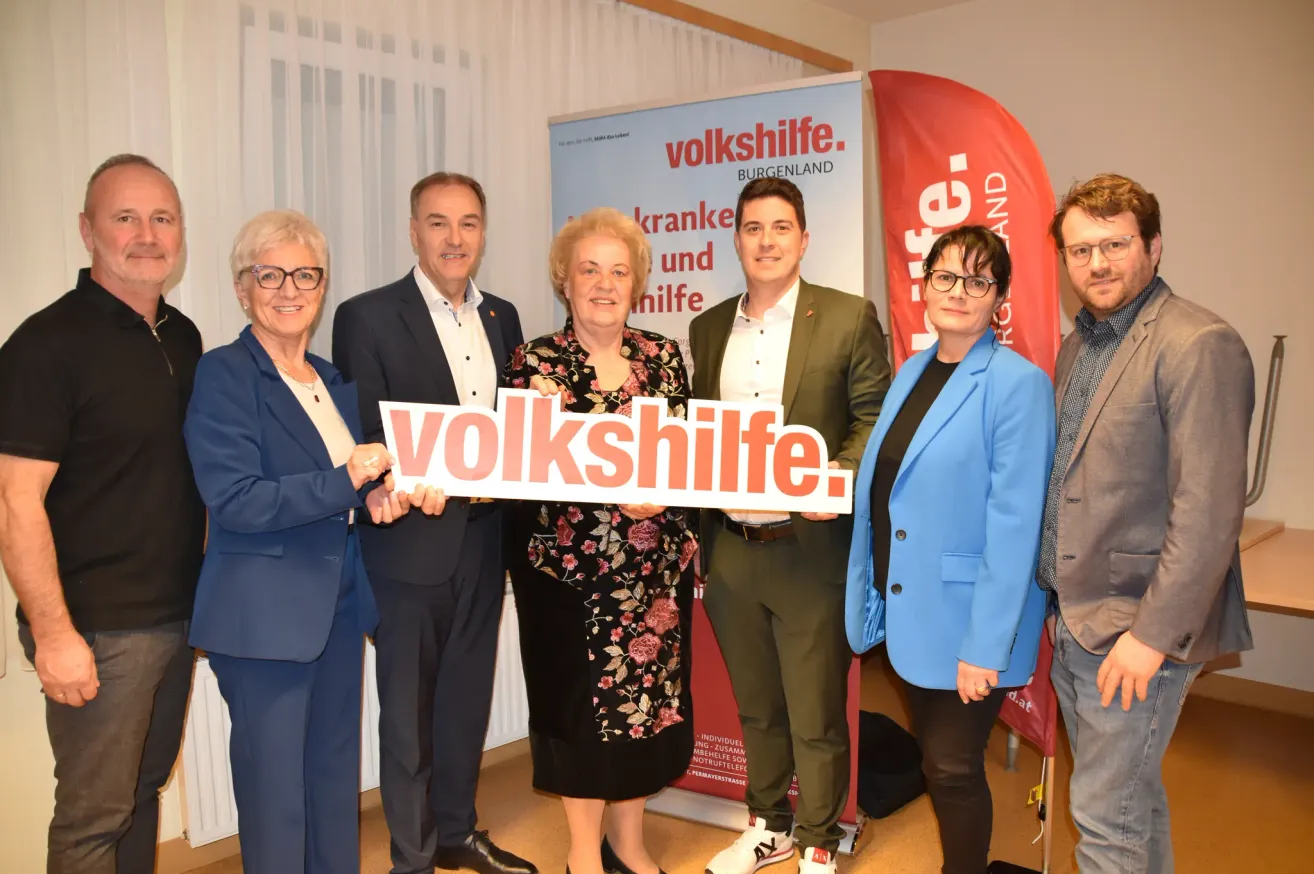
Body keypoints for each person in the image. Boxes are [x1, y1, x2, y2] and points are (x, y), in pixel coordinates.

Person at [184, 209, 419, 874]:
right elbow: (236, 498)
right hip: (263, 620)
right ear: (242, 287)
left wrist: (375, 497)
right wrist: (348, 481)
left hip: (340, 609)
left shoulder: (332, 380)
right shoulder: (225, 374)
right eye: (270, 274)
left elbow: (343, 493)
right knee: (276, 800)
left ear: (322, 286)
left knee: (331, 783)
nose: (289, 289)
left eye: (305, 275)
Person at [1041, 174, 1254, 873]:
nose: (1096, 264)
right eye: (1079, 250)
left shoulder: (1198, 343)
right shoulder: (1080, 346)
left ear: (1153, 247)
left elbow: (1210, 509)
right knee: (1130, 807)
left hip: (1133, 630)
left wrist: (1151, 638)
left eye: (1114, 244)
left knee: (1104, 825)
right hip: (1075, 618)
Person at [0, 154, 204, 874]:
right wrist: (53, 634)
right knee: (92, 821)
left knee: (142, 795)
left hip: (175, 617)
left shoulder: (182, 337)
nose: (146, 235)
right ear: (87, 231)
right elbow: (14, 500)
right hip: (98, 630)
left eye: (162, 218)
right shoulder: (44, 345)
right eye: (126, 218)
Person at [332, 172, 535, 874]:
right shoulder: (365, 315)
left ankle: (457, 831)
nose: (455, 238)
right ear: (413, 231)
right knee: (409, 716)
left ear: (483, 233)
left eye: (469, 223)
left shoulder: (502, 317)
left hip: (485, 537)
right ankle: (412, 858)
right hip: (407, 545)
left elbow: (515, 428)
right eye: (439, 223)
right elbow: (363, 430)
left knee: (465, 702)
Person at [690, 178, 891, 874]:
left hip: (810, 547)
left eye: (781, 228)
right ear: (737, 238)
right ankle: (769, 823)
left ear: (804, 240)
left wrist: (832, 478)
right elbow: (697, 435)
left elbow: (875, 416)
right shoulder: (709, 326)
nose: (766, 241)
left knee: (816, 710)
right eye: (752, 228)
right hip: (734, 548)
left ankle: (819, 836)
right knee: (757, 707)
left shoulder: (844, 316)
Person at [844, 226, 1055, 874]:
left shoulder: (1017, 385)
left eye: (978, 280)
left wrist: (983, 647)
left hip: (968, 622)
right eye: (946, 277)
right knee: (943, 764)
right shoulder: (913, 368)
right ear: (925, 284)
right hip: (912, 610)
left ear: (999, 299)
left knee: (953, 767)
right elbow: (890, 487)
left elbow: (1016, 523)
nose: (959, 291)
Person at [506, 207, 696, 874]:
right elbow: (521, 472)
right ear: (565, 279)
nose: (605, 283)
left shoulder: (664, 356)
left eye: (619, 270)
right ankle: (582, 851)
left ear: (637, 282)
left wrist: (666, 494)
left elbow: (690, 458)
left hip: (651, 577)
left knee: (641, 709)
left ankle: (629, 843)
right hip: (569, 579)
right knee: (579, 716)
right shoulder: (534, 362)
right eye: (590, 269)